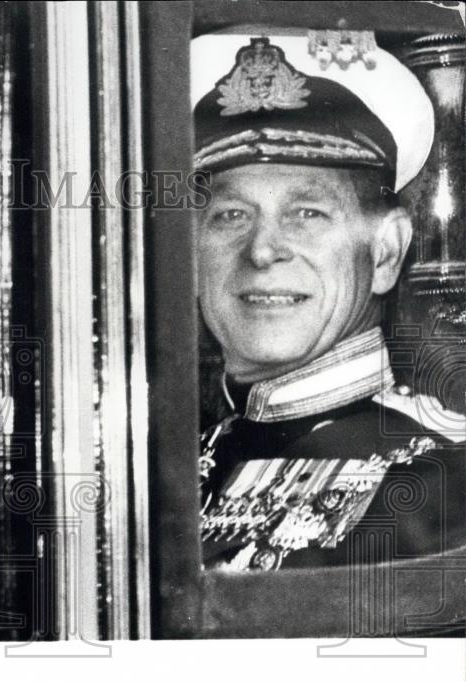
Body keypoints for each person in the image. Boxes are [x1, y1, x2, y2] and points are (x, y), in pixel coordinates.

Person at [191, 30, 466, 571]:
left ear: (386, 253)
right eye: (231, 215)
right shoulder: (179, 461)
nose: (263, 251)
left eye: (307, 214)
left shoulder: (440, 480)